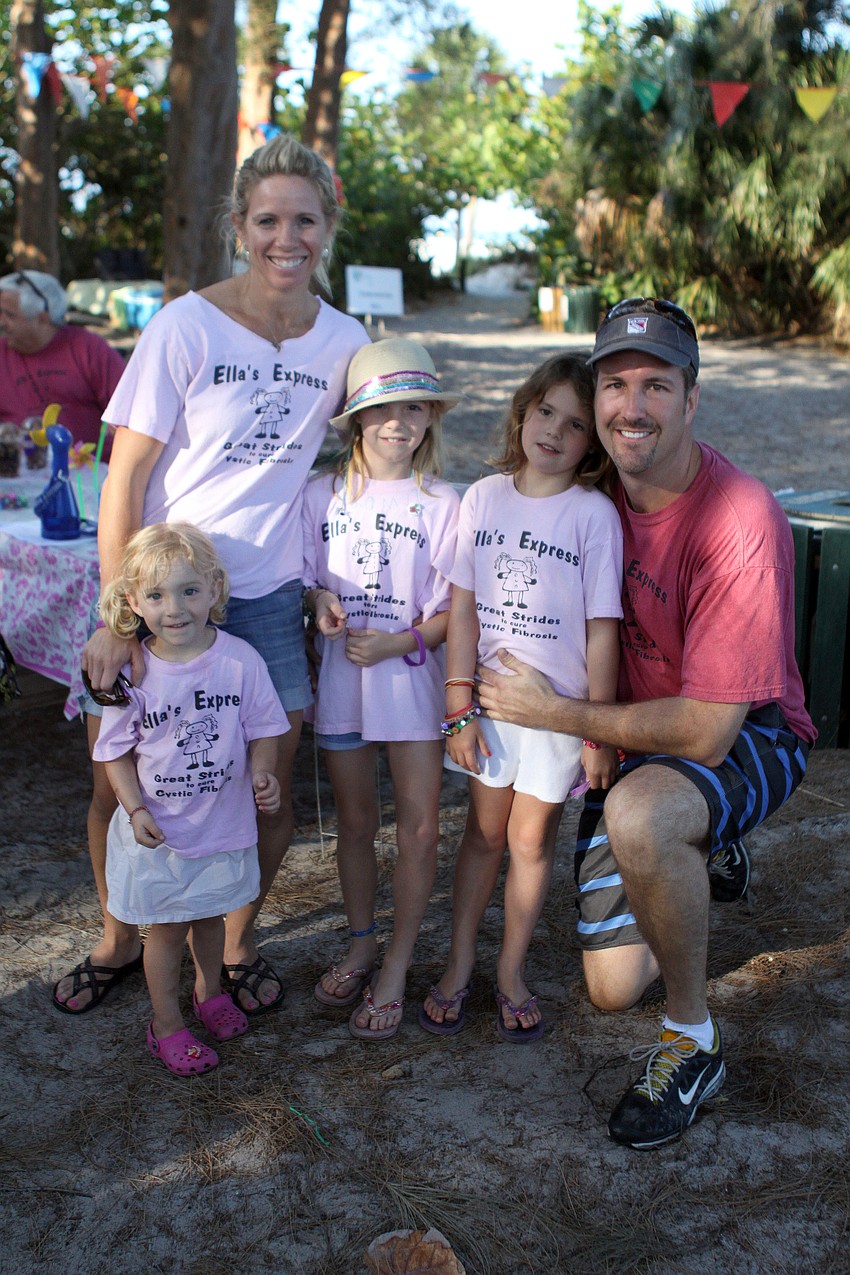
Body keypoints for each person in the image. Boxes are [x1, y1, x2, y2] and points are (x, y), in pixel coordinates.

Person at [476, 298, 815, 1145]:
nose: (632, 406)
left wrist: (557, 713)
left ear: (692, 399)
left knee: (643, 814)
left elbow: (708, 733)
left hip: (749, 726)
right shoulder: (588, 493)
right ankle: (704, 849)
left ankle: (693, 1040)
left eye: (656, 385)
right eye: (615, 384)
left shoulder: (738, 517)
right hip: (627, 728)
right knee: (611, 986)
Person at [52, 133, 369, 1018]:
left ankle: (232, 944)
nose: (286, 238)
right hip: (163, 594)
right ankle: (120, 937)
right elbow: (124, 475)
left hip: (265, 595)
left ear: (328, 227)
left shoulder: (344, 341)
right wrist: (117, 615)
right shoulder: (185, 325)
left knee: (265, 785)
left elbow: (382, 446)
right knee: (118, 776)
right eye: (267, 220)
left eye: (304, 220)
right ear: (238, 226)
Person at [420, 353, 623, 1042]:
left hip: (557, 713)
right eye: (545, 412)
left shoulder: (593, 515)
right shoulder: (483, 497)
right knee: (482, 834)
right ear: (523, 412)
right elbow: (463, 608)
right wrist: (458, 707)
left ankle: (510, 970)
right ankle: (458, 964)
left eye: (575, 424)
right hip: (490, 707)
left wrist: (597, 731)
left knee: (530, 841)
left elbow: (602, 631)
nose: (554, 432)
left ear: (593, 441)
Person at [302, 338, 461, 1040]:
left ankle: (398, 961)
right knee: (357, 822)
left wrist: (401, 642)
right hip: (343, 684)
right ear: (357, 418)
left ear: (431, 418)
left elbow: (456, 609)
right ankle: (363, 941)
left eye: (416, 407)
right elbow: (308, 580)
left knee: (419, 825)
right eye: (384, 408)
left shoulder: (444, 502)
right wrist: (319, 604)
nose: (400, 421)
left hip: (411, 688)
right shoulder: (322, 495)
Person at [90, 524, 289, 1074]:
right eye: (156, 595)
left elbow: (264, 728)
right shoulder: (134, 672)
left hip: (220, 825)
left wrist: (264, 773)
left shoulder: (241, 660)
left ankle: (209, 993)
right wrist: (134, 809)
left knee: (210, 917)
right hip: (162, 834)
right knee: (168, 930)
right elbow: (114, 753)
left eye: (189, 591)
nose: (174, 608)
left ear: (215, 589)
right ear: (133, 602)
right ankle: (166, 1025)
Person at [0, 270, 125, 452]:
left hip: (90, 467)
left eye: (10, 315)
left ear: (43, 318)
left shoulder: (88, 349)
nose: (1, 322)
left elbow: (128, 415)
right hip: (16, 468)